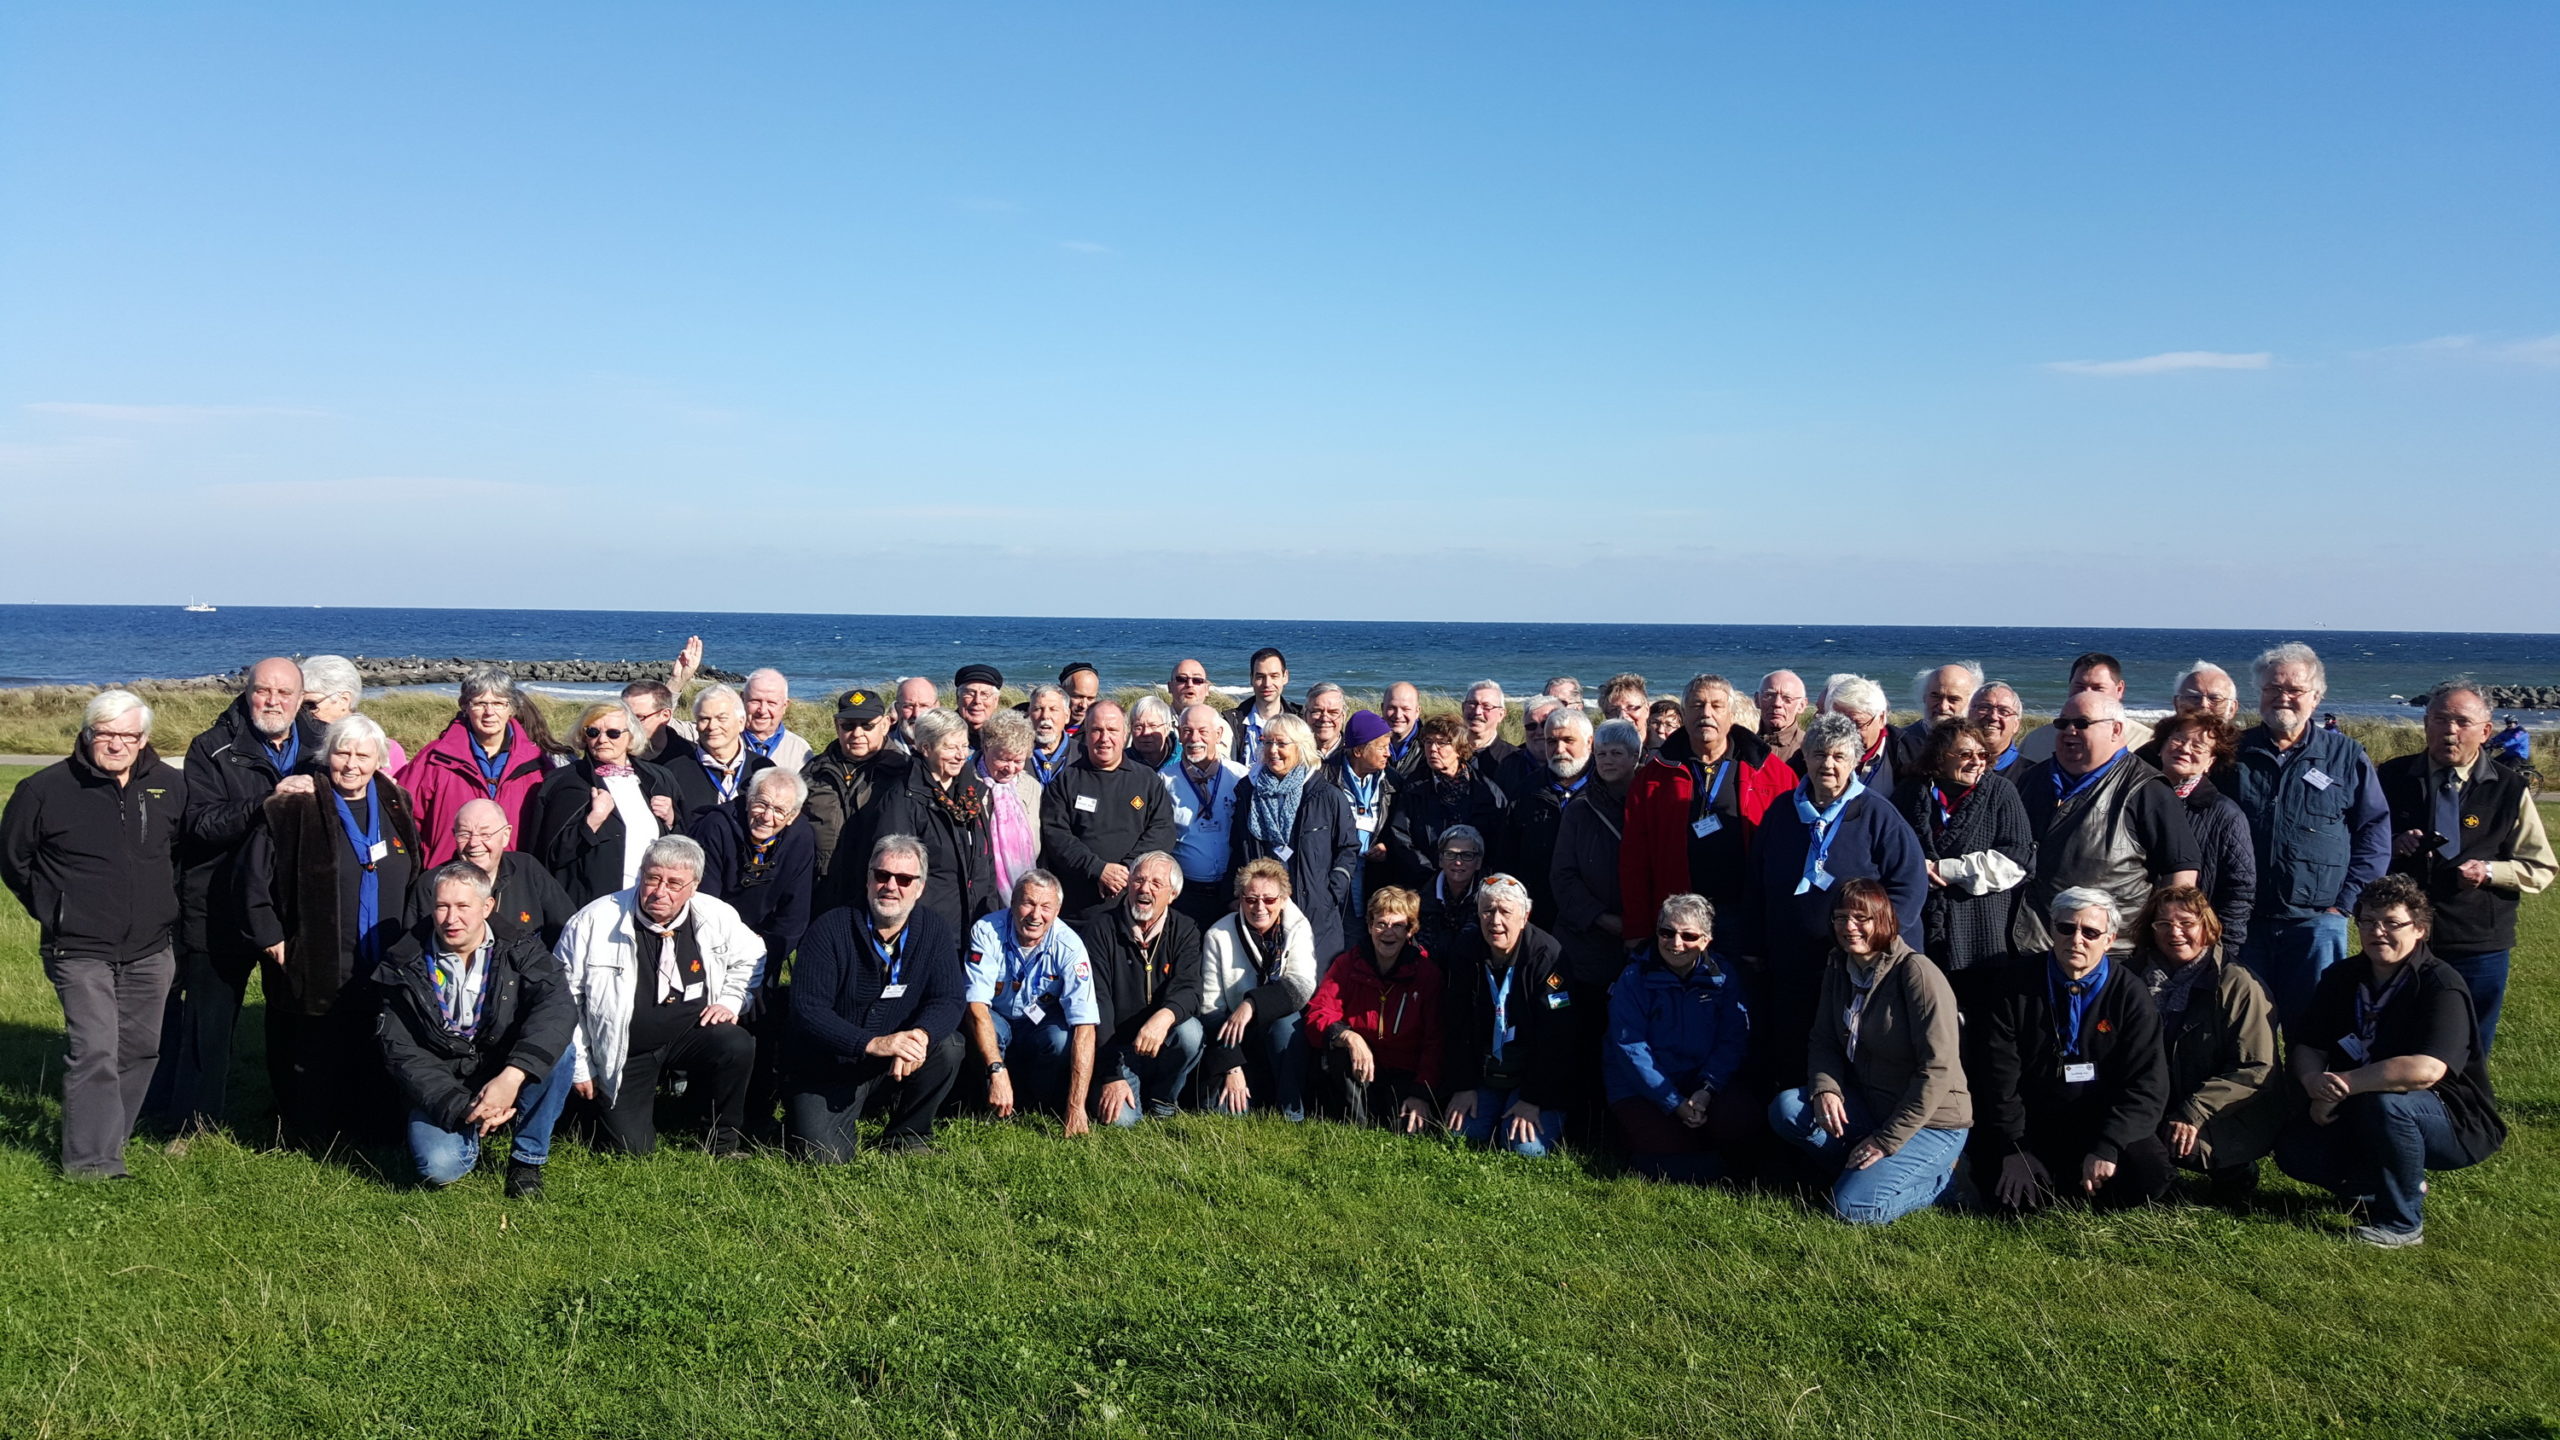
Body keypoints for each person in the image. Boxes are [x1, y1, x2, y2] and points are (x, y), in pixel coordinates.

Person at [1, 690, 186, 1178]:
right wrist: (55, 909)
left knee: (141, 1048)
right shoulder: (44, 790)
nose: (116, 744)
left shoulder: (169, 785)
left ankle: (111, 1138)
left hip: (151, 947)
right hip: (78, 947)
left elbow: (181, 854)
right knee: (95, 1049)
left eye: (128, 735)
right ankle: (91, 1163)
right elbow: (15, 861)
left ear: (144, 739)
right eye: (105, 733)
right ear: (87, 734)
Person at [2275, 875, 2505, 1247]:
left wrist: (2343, 1085)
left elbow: (2425, 1070)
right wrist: (2314, 1081)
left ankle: (2402, 1222)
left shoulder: (2440, 984)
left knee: (2390, 1107)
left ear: (2420, 930)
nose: (2377, 932)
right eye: (2367, 921)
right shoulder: (2341, 977)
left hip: (2448, 1116)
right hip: (2358, 1100)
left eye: (2391, 923)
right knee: (2295, 1151)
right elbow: (2308, 1044)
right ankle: (2378, 1186)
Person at [148, 656, 322, 1138]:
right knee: (209, 1023)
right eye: (263, 691)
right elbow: (200, 824)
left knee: (292, 1019)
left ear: (300, 698)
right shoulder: (212, 747)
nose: (273, 701)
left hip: (289, 909)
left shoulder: (322, 745)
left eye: (284, 693)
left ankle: (293, 1120)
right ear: (247, 693)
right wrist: (267, 802)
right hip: (217, 905)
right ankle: (191, 1124)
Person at [241, 713, 423, 1146]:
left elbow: (412, 871)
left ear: (380, 759)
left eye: (363, 754)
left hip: (383, 948)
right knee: (314, 1046)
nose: (352, 763)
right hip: (318, 947)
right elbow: (251, 878)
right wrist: (269, 935)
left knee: (372, 1039)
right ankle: (310, 1134)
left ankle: (368, 1127)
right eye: (343, 752)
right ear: (327, 755)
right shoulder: (296, 804)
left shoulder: (396, 801)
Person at [1740, 713, 1927, 1088]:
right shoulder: (1782, 811)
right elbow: (1756, 882)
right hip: (1791, 961)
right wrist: (1754, 944)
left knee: (1852, 1055)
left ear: (1855, 761)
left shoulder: (1877, 814)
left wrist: (1877, 946)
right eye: (1820, 754)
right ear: (1805, 758)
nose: (1828, 764)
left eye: (1840, 756)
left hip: (1857, 966)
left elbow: (1910, 884)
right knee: (1792, 1051)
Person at [1769, 880, 1972, 1223]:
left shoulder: (1917, 973)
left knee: (1851, 1210)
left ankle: (1945, 1182)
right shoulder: (1839, 966)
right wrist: (1825, 1089)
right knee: (1788, 1109)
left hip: (1932, 1123)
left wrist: (1886, 1140)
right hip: (1872, 1107)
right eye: (1840, 917)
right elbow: (1824, 1040)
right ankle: (1861, 1176)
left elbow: (1937, 1069)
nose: (1849, 927)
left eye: (1861, 918)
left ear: (1884, 920)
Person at [375, 862, 577, 1197]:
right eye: (442, 906)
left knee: (561, 1051)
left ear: (487, 907)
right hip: (444, 1080)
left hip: (502, 1065)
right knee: (440, 1168)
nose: (451, 919)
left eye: (463, 907)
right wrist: (460, 1105)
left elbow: (557, 1006)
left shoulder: (520, 947)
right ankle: (477, 1125)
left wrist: (512, 1077)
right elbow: (400, 1050)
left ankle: (526, 1159)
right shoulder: (402, 962)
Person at [2376, 681, 2553, 1056]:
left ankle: (2465, 1113)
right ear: (2426, 724)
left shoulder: (2508, 788)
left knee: (2470, 1048)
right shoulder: (2391, 778)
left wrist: (2489, 871)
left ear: (2485, 731)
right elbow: (2358, 846)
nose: (2450, 730)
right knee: (2397, 1041)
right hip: (2401, 939)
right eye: (2440, 719)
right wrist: (2391, 844)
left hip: (2478, 942)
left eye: (2462, 721)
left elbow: (2540, 866)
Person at [559, 835, 765, 1156]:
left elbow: (752, 954)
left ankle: (720, 1142)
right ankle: (588, 1115)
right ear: (641, 874)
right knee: (630, 1151)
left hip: (689, 1030)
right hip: (623, 1047)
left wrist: (731, 999)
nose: (660, 891)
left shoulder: (715, 914)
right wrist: (581, 1067)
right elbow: (563, 1001)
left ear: (694, 886)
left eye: (674, 883)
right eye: (653, 878)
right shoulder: (592, 922)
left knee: (736, 1043)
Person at [1973, 888, 2173, 1214]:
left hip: (2101, 1120)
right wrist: (2016, 1147)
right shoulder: (2014, 984)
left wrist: (2107, 1147)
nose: (2076, 939)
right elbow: (1997, 1074)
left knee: (2150, 1173)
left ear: (2109, 940)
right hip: (2031, 1120)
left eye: (2090, 932)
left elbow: (2148, 1084)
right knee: (2003, 1197)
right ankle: (2050, 1178)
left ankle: (2079, 1181)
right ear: (2052, 930)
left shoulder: (2131, 994)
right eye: (2067, 928)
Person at [2222, 643, 2391, 1025]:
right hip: (2245, 922)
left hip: (2316, 923)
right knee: (2245, 1031)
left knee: (2315, 1030)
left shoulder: (2346, 755)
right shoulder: (2233, 753)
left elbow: (2373, 832)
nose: (2283, 697)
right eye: (2272, 688)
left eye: (2294, 690)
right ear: (2259, 693)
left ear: (2316, 697)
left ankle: (2305, 1087)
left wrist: (2345, 904)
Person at [781, 834, 965, 1159]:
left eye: (904, 879)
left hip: (890, 1067)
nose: (891, 886)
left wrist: (919, 1037)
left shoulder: (934, 930)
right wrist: (873, 1043)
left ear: (920, 887)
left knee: (949, 1046)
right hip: (829, 1066)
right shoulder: (830, 929)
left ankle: (907, 1136)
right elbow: (807, 1010)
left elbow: (948, 999)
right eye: (882, 875)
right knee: (823, 1157)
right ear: (868, 879)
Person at [2129, 885, 2282, 1201]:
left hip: (2223, 1110)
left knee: (2181, 1146)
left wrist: (2192, 1112)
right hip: (2154, 1100)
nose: (2175, 932)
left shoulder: (2238, 984)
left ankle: (2235, 1170)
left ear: (2207, 927)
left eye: (2187, 923)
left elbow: (2256, 1068)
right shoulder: (2132, 977)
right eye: (2164, 924)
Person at [2018, 692, 2199, 952]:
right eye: (2062, 723)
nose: (2069, 731)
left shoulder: (2147, 789)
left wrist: (2168, 938)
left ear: (2115, 729)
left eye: (2082, 723)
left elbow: (2180, 869)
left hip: (2111, 952)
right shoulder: (2032, 779)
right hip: (2030, 945)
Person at [1620, 673, 1799, 935]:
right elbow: (1634, 859)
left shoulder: (1773, 773)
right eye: (1696, 705)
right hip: (1676, 919)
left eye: (1716, 705)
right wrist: (1636, 929)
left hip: (1745, 916)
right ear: (1683, 713)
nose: (1706, 713)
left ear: (1731, 713)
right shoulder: (1652, 777)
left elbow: (1791, 854)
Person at [1605, 895, 1756, 1185]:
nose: (1675, 943)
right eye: (1667, 932)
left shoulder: (1724, 976)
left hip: (1700, 1081)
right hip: (1640, 1088)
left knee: (1742, 1120)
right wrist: (1673, 1102)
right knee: (1669, 1149)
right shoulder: (1633, 977)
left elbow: (1733, 1038)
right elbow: (1631, 1049)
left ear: (1707, 939)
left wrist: (1707, 1088)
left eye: (1688, 935)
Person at [1891, 718, 2031, 995]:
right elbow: (1891, 848)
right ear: (1940, 757)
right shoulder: (1911, 791)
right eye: (1965, 754)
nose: (1976, 762)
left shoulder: (2001, 792)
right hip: (1917, 931)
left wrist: (1947, 870)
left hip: (1979, 937)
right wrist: (1916, 868)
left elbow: (2018, 860)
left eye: (1983, 755)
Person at [1070, 851, 1208, 1122]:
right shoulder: (1100, 929)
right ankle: (1120, 1090)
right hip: (1115, 1049)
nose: (1144, 889)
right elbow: (1097, 1003)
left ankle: (1163, 1102)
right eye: (1138, 880)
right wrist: (1111, 1074)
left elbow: (1190, 989)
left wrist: (1164, 1017)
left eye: (1156, 883)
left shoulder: (1186, 929)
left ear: (1173, 894)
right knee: (1121, 1123)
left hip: (1161, 1042)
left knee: (1190, 1033)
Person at [1440, 874, 1570, 1157]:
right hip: (1487, 1072)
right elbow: (1456, 1022)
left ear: (1524, 917)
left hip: (1533, 1076)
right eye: (1487, 911)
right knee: (1459, 1135)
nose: (1495, 921)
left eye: (1505, 912)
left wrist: (1532, 1099)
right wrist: (1463, 1086)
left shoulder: (1548, 956)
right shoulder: (1465, 949)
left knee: (1525, 1149)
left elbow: (1557, 1036)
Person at [963, 869, 1100, 1126]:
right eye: (1028, 903)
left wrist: (1076, 1106)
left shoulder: (1070, 946)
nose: (1036, 915)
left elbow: (1085, 1025)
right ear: (1013, 902)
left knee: (1060, 1038)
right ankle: (989, 1108)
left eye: (1046, 907)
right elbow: (976, 1007)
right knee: (988, 1027)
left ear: (1057, 910)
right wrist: (996, 1069)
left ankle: (1037, 1103)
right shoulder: (986, 930)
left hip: (1038, 1023)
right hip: (998, 1017)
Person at [1304, 886, 1442, 1133]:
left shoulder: (1427, 974)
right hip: (1359, 1069)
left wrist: (1422, 1092)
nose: (1387, 932)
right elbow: (1317, 1014)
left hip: (1404, 1072)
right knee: (1340, 1052)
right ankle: (1353, 1128)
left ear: (1410, 931)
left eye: (1398, 925)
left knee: (1404, 1128)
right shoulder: (1347, 964)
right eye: (1380, 924)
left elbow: (1436, 1040)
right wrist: (1347, 1036)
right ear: (1369, 926)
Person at [1227, 714, 1360, 963]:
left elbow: (1348, 847)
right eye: (1267, 742)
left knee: (1314, 988)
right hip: (1263, 909)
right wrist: (1235, 896)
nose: (1272, 751)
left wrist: (1331, 892)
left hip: (1315, 911)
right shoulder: (1247, 791)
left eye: (1281, 744)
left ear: (1300, 747)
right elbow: (1237, 847)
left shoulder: (1327, 795)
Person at [857, 708, 999, 936]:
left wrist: (992, 914)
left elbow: (987, 862)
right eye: (950, 747)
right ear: (925, 748)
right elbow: (892, 870)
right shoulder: (903, 798)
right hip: (927, 928)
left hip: (976, 924)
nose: (960, 755)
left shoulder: (971, 794)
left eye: (963, 746)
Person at [1198, 859, 1320, 1119]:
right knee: (1224, 1113)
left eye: (1269, 899)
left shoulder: (1298, 927)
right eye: (1251, 899)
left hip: (1276, 1030)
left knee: (1289, 1025)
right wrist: (1231, 1066)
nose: (1260, 907)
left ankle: (1292, 1111)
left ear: (1284, 898)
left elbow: (1301, 986)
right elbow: (1210, 1009)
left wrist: (1250, 1004)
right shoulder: (1217, 935)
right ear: (1240, 899)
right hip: (1233, 1036)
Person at [528, 703, 682, 906]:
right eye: (593, 732)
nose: (602, 740)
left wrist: (671, 819)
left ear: (631, 737)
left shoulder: (658, 778)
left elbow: (685, 842)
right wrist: (592, 822)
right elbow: (549, 855)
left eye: (613, 733)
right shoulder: (566, 782)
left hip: (651, 903)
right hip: (592, 906)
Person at [399, 667, 548, 867]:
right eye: (479, 703)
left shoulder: (537, 762)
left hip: (513, 876)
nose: (489, 712)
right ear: (465, 707)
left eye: (498, 703)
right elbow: (404, 820)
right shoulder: (433, 759)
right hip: (448, 876)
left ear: (511, 708)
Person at [1041, 701, 1178, 917]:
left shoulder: (1147, 780)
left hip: (1134, 904)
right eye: (1097, 730)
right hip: (1078, 908)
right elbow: (1056, 836)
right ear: (1086, 734)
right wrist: (1098, 870)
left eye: (1112, 730)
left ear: (1125, 734)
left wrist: (1127, 870)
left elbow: (1163, 831)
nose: (1105, 738)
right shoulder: (1065, 781)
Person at [1548, 718, 1637, 1012]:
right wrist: (1600, 918)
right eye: (1601, 754)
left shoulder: (1652, 804)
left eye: (1616, 753)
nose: (1607, 760)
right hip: (1584, 943)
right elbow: (1563, 875)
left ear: (1635, 756)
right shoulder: (1579, 809)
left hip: (1640, 940)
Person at [2151, 710, 2259, 950]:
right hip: (2135, 936)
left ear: (2211, 761)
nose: (2185, 749)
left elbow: (2239, 892)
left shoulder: (2225, 815)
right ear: (2161, 746)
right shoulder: (2135, 799)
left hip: (2191, 942)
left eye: (2198, 747)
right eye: (2178, 739)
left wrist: (2224, 950)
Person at [1385, 713, 1508, 888]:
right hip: (1423, 883)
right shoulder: (1413, 787)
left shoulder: (1486, 791)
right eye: (1428, 742)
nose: (1433, 749)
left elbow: (1498, 843)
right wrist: (1432, 875)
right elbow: (1401, 836)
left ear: (1459, 748)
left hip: (1475, 885)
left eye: (1442, 743)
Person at [800, 687, 911, 878]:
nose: (857, 733)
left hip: (880, 885)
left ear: (885, 724)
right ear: (837, 725)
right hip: (821, 888)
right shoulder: (813, 772)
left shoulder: (905, 772)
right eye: (848, 726)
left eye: (867, 725)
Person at [1497, 704, 1589, 922]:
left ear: (1589, 742)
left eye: (1568, 740)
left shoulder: (1606, 793)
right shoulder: (1526, 790)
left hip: (1594, 918)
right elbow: (1507, 855)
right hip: (1537, 914)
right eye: (1551, 742)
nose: (1559, 749)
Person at [1163, 702, 1249, 927]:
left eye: (1203, 731)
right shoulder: (1163, 780)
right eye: (1187, 731)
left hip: (1231, 894)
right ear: (1179, 735)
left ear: (1218, 734)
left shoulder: (1240, 777)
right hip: (1185, 894)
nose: (1194, 738)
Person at [452, 798, 576, 948]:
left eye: (485, 834)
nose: (474, 843)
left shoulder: (527, 869)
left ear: (505, 835)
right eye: (464, 834)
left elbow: (568, 928)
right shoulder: (434, 884)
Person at [1322, 709, 1401, 918]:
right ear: (1358, 751)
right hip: (1335, 877)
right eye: (1382, 747)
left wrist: (1388, 846)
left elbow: (1400, 826)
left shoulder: (1393, 781)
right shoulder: (1324, 779)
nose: (1388, 753)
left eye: (1389, 746)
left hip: (1375, 878)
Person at [2018, 653, 2156, 763]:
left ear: (2119, 689)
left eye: (2098, 688)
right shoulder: (2037, 741)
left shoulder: (2146, 742)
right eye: (2079, 687)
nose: (2087, 694)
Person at [665, 684, 774, 825]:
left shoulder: (763, 769)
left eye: (721, 718)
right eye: (704, 719)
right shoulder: (673, 772)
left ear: (741, 723)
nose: (712, 726)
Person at [974, 710, 1043, 904]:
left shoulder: (1032, 787)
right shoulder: (967, 784)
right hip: (982, 888)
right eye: (1003, 759)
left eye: (1018, 761)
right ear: (986, 748)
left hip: (1024, 885)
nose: (1010, 768)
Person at [298, 655, 410, 773]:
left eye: (310, 705)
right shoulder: (292, 743)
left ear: (344, 701)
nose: (303, 712)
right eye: (298, 705)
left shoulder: (386, 751)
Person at [1885, 662, 1982, 780]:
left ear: (1971, 703)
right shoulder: (1899, 743)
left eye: (1953, 699)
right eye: (1935, 696)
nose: (1943, 706)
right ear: (1924, 696)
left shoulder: (1982, 747)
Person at [1415, 826, 1488, 958]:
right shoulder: (1420, 900)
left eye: (1467, 855)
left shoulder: (1490, 901)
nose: (1458, 862)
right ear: (1441, 860)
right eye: (1450, 854)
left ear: (1478, 862)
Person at [1817, 674, 1896, 795]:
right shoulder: (1812, 753)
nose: (1848, 733)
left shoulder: (1908, 754)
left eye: (1857, 724)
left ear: (1881, 718)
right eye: (1840, 723)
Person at [1229, 648, 1300, 763]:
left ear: (1285, 677)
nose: (1267, 684)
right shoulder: (1232, 722)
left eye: (1274, 676)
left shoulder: (1300, 720)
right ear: (1251, 678)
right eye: (1260, 677)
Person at [1491, 695, 1564, 805]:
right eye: (1531, 726)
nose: (1539, 731)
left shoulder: (1576, 765)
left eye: (1546, 724)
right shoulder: (1509, 766)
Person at [739, 668, 813, 771]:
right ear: (742, 700)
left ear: (785, 706)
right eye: (755, 701)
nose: (762, 710)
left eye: (771, 703)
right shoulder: (725, 743)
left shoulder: (799, 750)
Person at [1168, 658, 1236, 756]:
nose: (1189, 684)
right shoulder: (1157, 724)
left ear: (1207, 689)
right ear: (1170, 687)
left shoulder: (1221, 727)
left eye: (1197, 680)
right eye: (1182, 679)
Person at [621, 679, 694, 764]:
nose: (628, 724)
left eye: (638, 718)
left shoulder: (690, 756)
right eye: (623, 716)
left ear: (665, 716)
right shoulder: (613, 754)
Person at [1022, 684, 1080, 786]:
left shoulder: (1081, 754)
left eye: (1053, 709)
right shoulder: (1015, 752)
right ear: (1029, 714)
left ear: (1067, 716)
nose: (1045, 716)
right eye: (1038, 709)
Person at [1967, 682, 2027, 774]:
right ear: (1968, 715)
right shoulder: (1949, 765)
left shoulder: (2031, 774)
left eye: (2004, 711)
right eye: (1984, 708)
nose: (1993, 716)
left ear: (2016, 725)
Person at [1459, 681, 1516, 772]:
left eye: (1486, 706)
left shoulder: (1514, 759)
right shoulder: (1444, 752)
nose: (1477, 712)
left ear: (1501, 714)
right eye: (1472, 704)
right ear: (1463, 708)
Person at [1754, 670, 1808, 766]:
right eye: (1769, 696)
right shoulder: (1742, 745)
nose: (1777, 703)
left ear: (1802, 706)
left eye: (1787, 699)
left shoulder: (1809, 748)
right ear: (1757, 700)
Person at [953, 663, 1005, 750]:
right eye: (970, 694)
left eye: (984, 694)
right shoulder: (941, 734)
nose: (977, 701)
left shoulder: (1005, 736)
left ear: (996, 701)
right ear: (958, 698)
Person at [1381, 681, 1425, 777]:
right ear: (1382, 708)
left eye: (1405, 709)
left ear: (1417, 711)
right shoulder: (1368, 743)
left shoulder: (1429, 745)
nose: (1398, 715)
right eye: (1392, 708)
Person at [1126, 694, 1177, 771]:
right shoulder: (1120, 762)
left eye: (1153, 726)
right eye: (1138, 727)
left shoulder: (1184, 761)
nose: (1146, 733)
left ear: (1167, 728)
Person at [891, 676, 939, 754]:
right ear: (897, 708)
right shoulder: (880, 747)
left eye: (924, 706)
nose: (916, 714)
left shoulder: (953, 743)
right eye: (908, 706)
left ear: (936, 707)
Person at [1303, 683, 1348, 764]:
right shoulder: (1294, 752)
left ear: (1343, 716)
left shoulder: (1354, 755)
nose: (1324, 718)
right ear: (1305, 715)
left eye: (1333, 712)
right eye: (1317, 711)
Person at [1058, 662, 1102, 735]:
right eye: (1078, 697)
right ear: (1061, 693)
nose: (1084, 705)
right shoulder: (1042, 725)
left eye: (1090, 698)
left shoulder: (1099, 731)